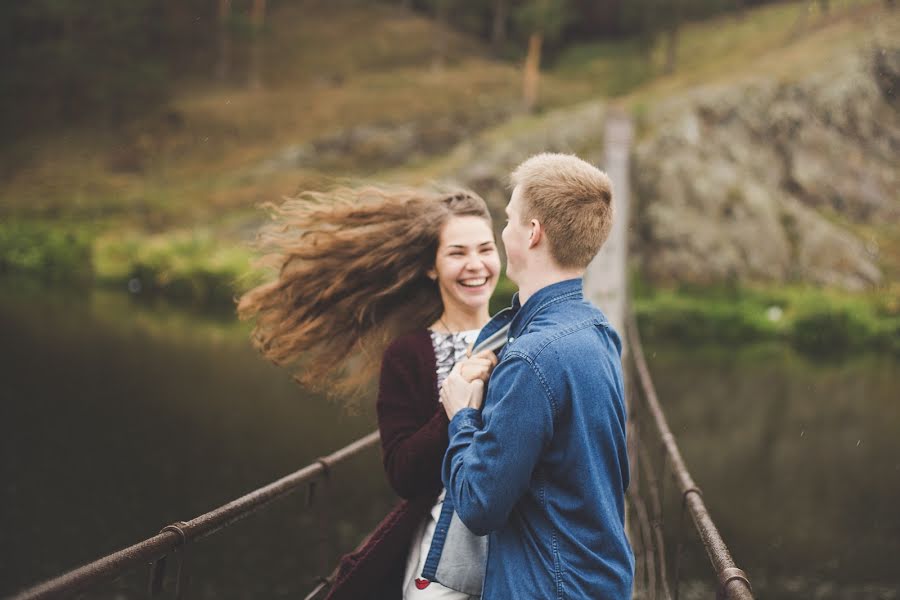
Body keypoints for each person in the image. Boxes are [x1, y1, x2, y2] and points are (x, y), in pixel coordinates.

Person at [237, 186, 500, 599]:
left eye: (485, 249)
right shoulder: (410, 354)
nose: (475, 265)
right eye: (457, 253)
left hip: (522, 546)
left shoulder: (521, 334)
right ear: (430, 267)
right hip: (444, 553)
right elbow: (403, 474)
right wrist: (454, 406)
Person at [438, 153, 635, 599]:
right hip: (599, 582)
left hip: (549, 587)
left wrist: (461, 414)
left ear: (532, 232)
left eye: (508, 219)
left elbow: (479, 504)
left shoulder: (529, 359)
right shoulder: (598, 330)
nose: (503, 231)